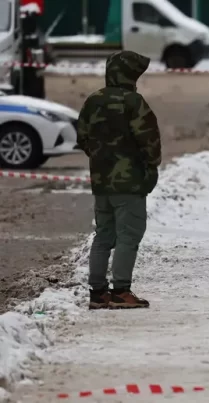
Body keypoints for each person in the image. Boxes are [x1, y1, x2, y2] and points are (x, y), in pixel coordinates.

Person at [77, 50, 162, 310]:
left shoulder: (93, 100)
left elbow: (82, 137)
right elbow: (150, 140)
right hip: (129, 182)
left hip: (101, 182)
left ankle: (98, 293)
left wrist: (101, 159)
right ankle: (121, 291)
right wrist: (149, 167)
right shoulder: (133, 102)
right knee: (129, 235)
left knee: (104, 235)